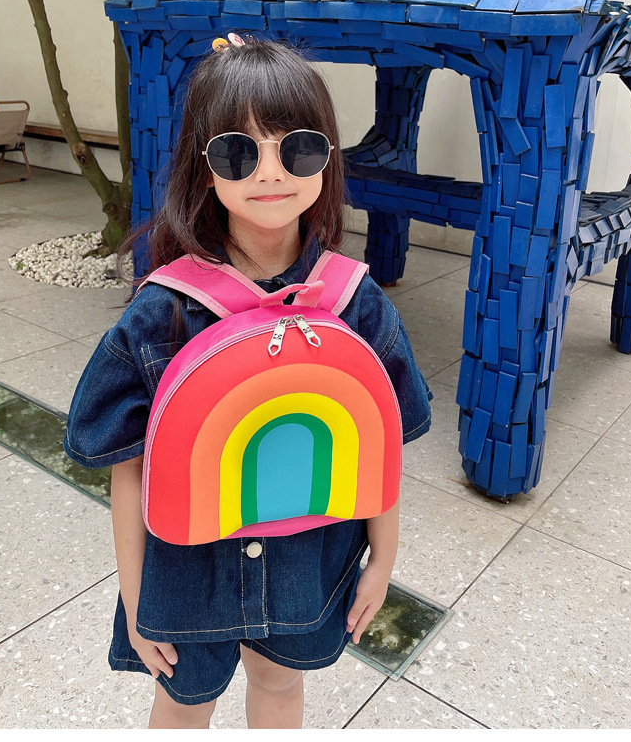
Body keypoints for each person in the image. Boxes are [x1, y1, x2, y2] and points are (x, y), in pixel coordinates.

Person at [63, 37, 432, 730]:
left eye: (298, 149)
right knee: (182, 705)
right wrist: (136, 598)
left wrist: (385, 556)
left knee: (280, 686)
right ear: (204, 170)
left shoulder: (356, 302)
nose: (270, 173)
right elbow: (128, 466)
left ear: (327, 159)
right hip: (186, 569)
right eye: (238, 152)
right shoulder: (165, 310)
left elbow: (378, 443)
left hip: (310, 558)